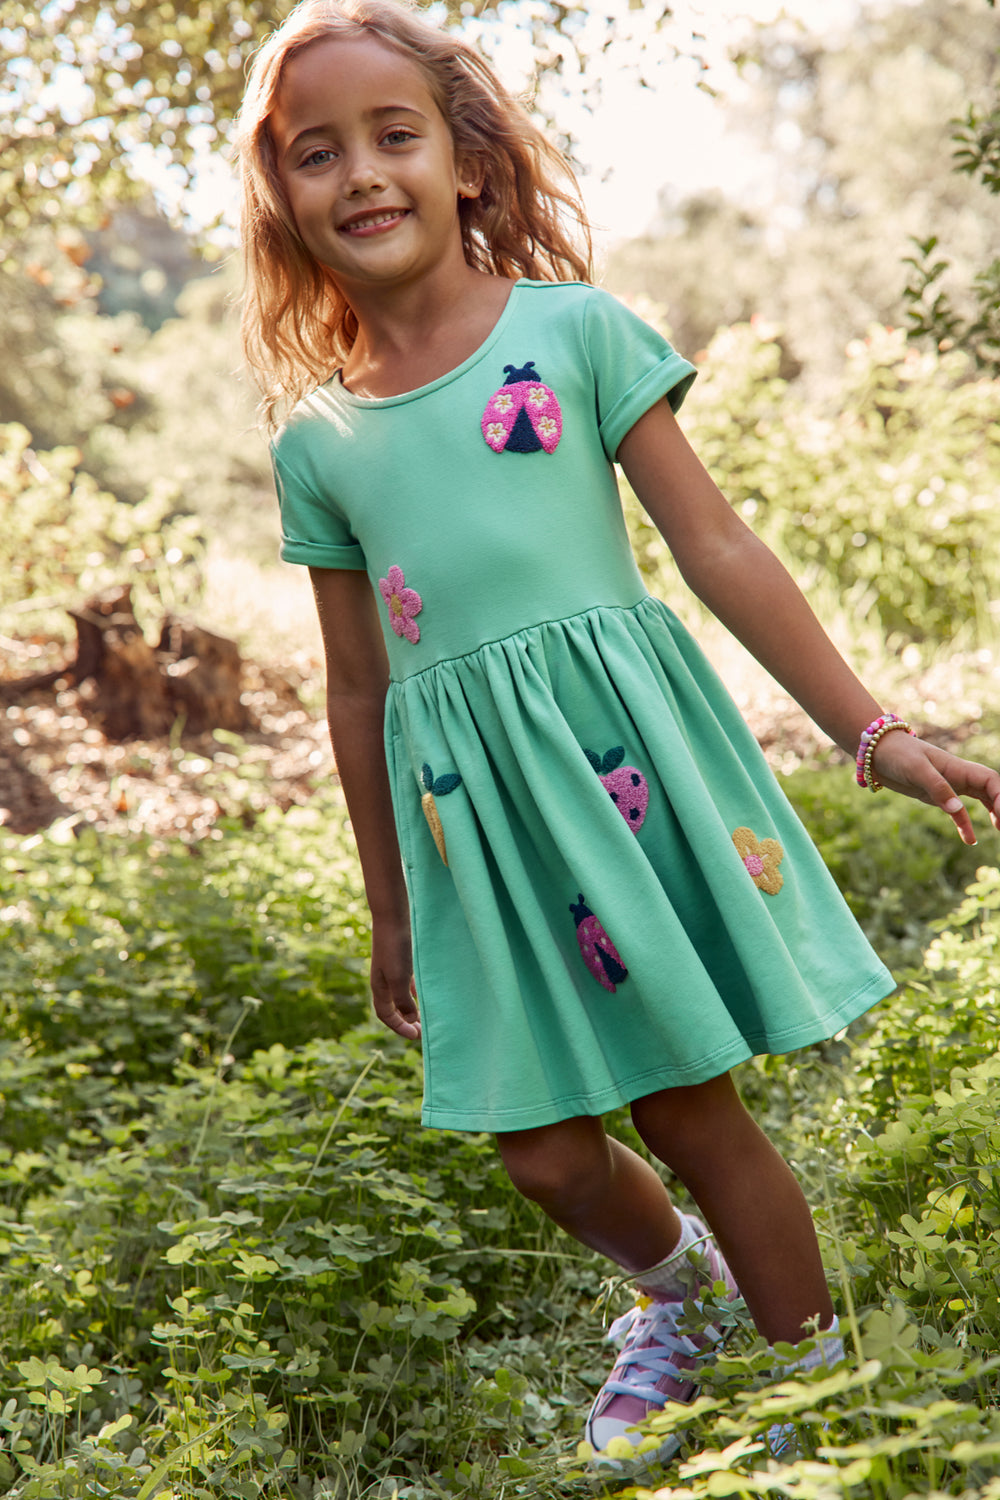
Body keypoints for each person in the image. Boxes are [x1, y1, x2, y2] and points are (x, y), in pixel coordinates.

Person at [235, 0, 1000, 1462]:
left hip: (615, 778)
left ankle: (810, 1394)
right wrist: (390, 902)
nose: (362, 174)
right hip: (479, 822)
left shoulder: (573, 331)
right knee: (542, 1155)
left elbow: (716, 547)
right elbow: (356, 686)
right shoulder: (318, 438)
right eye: (316, 152)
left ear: (465, 160)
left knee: (690, 1111)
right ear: (285, 196)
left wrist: (872, 727)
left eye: (393, 135)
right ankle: (682, 1302)